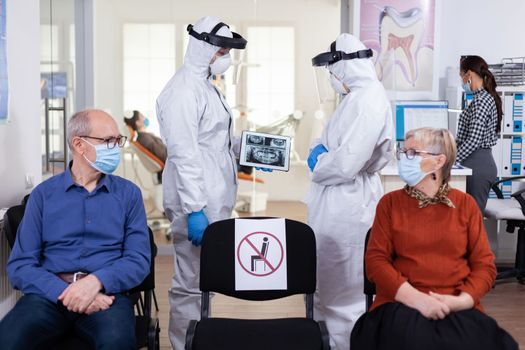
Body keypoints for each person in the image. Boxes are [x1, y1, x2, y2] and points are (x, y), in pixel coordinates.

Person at [350, 127, 518, 350]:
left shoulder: (465, 205)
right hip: (401, 304)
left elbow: (485, 267)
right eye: (402, 152)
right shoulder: (389, 204)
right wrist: (417, 299)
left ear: (439, 161)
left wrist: (462, 301)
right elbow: (376, 262)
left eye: (412, 153)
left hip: (455, 305)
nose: (403, 158)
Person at [0, 109, 151, 349]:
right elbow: (21, 265)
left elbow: (139, 259)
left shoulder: (128, 195)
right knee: (8, 338)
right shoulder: (43, 196)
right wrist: (68, 292)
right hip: (48, 297)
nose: (116, 148)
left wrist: (94, 283)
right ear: (79, 144)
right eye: (108, 141)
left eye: (117, 140)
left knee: (117, 342)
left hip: (106, 297)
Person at [155, 16, 247, 349]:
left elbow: (214, 141)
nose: (225, 56)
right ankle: (184, 345)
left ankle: (201, 339)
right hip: (197, 202)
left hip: (213, 198)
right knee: (190, 284)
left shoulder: (206, 86)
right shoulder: (182, 91)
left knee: (204, 279)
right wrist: (195, 209)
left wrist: (249, 148)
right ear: (202, 48)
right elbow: (185, 156)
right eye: (221, 50)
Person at [306, 33, 394, 350]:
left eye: (332, 70)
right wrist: (322, 152)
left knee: (344, 291)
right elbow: (338, 148)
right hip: (338, 199)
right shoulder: (357, 97)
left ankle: (343, 345)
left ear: (345, 67)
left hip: (347, 203)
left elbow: (345, 164)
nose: (331, 77)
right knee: (328, 284)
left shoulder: (368, 100)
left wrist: (319, 163)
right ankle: (325, 341)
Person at [456, 55, 501, 214]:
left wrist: (452, 159)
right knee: (467, 219)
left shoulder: (482, 100)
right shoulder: (480, 99)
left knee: (472, 221)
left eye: (461, 75)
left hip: (478, 165)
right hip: (474, 163)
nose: (461, 80)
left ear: (469, 75)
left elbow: (474, 140)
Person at [124, 110, 167, 183]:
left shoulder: (144, 137)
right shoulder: (144, 138)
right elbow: (164, 155)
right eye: (142, 116)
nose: (145, 118)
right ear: (137, 123)